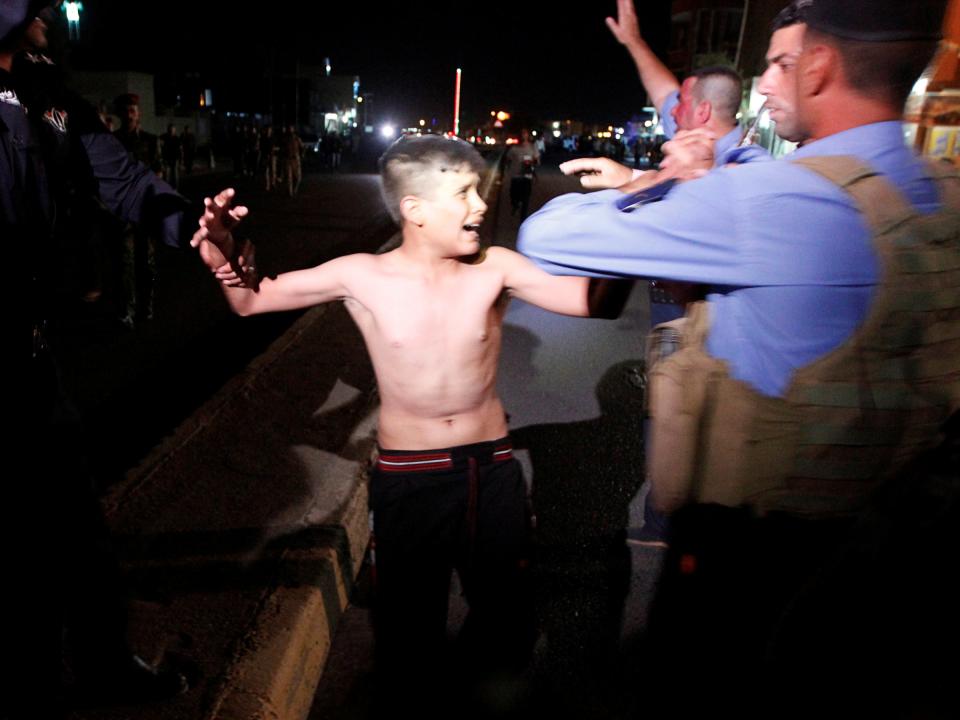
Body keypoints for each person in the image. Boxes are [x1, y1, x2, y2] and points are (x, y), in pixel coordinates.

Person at [520, 0, 957, 711]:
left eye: (779, 63)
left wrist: (650, 184)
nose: (764, 81)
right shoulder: (940, 196)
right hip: (890, 562)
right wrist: (645, 58)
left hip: (753, 570)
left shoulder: (772, 202)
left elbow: (547, 236)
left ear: (819, 66)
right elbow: (697, 116)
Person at [191, 134, 630, 712]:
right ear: (414, 210)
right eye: (464, 193)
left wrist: (635, 216)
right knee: (408, 634)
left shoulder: (494, 268)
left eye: (479, 190)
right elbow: (252, 301)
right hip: (409, 480)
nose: (479, 205)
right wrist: (224, 251)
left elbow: (597, 302)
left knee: (508, 621)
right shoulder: (362, 274)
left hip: (491, 474)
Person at [3, 0, 190, 709]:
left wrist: (194, 227)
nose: (46, 12)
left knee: (80, 536)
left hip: (31, 359)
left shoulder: (45, 92)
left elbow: (125, 179)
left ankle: (108, 668)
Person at [607, 0, 753, 167]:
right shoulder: (691, 130)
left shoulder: (740, 168)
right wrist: (633, 41)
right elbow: (663, 92)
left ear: (703, 112)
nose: (673, 110)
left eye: (681, 101)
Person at [508, 128, 540, 219]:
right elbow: (507, 159)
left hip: (527, 175)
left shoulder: (532, 147)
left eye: (525, 133)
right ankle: (515, 205)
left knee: (526, 199)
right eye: (521, 134)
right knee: (514, 195)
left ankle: (523, 218)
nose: (523, 135)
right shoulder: (514, 148)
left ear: (527, 135)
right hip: (515, 176)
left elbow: (537, 160)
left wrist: (532, 162)